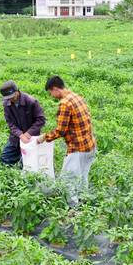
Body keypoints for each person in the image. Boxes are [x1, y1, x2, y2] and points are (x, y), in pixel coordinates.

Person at [37, 76, 96, 206]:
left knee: (67, 179)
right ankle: (84, 202)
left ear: (55, 89)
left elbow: (60, 130)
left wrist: (44, 137)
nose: (52, 96)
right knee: (82, 176)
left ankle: (73, 207)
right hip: (90, 145)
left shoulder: (65, 103)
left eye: (51, 92)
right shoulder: (77, 97)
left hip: (77, 148)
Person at [0, 80, 46, 166]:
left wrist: (28, 134)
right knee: (4, 159)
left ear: (17, 91)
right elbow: (10, 123)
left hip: (31, 137)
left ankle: (22, 158)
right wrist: (20, 135)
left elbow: (41, 120)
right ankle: (19, 156)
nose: (11, 99)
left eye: (12, 96)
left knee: (26, 164)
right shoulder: (7, 104)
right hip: (16, 137)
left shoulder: (31, 101)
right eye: (8, 98)